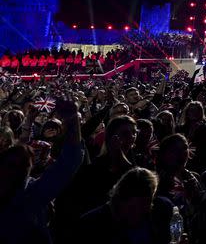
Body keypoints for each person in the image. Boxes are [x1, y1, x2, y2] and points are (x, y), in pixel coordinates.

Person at [0, 96, 84, 244]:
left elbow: (69, 161)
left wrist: (73, 120)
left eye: (25, 164)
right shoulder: (33, 192)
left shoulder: (33, 192)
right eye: (13, 164)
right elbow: (69, 162)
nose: (17, 169)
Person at [77, 167, 174, 244]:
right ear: (121, 198)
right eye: (135, 207)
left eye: (147, 206)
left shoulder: (152, 220)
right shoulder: (91, 226)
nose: (143, 212)